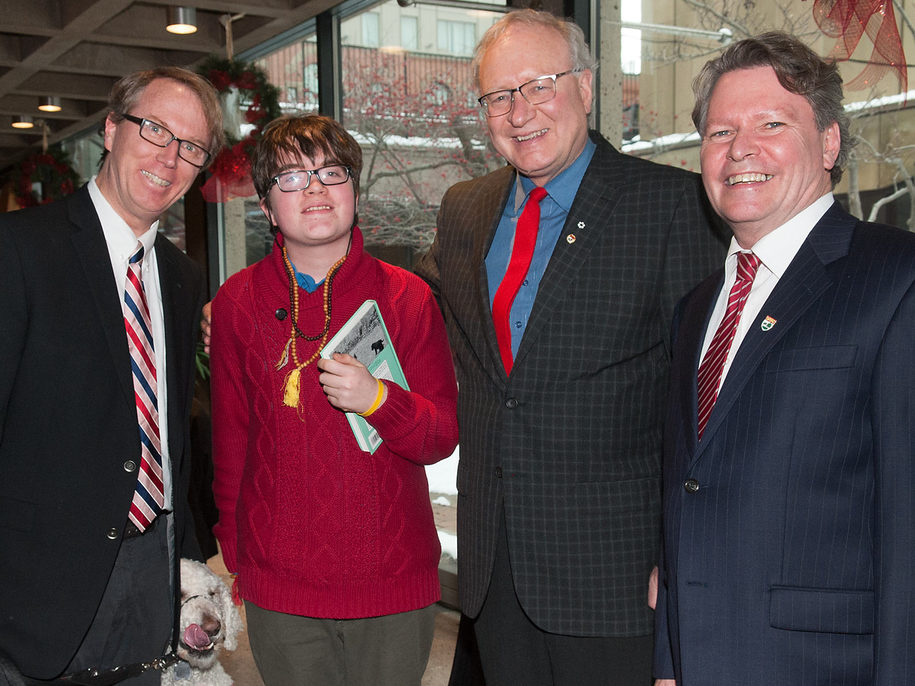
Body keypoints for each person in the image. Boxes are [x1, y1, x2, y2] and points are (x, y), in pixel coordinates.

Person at [413, 9, 727, 685]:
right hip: (496, 569)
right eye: (498, 95)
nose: (517, 111)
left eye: (539, 85)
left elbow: (705, 402)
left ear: (585, 86)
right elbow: (443, 332)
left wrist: (681, 558)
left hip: (615, 576)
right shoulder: (463, 208)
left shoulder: (671, 206)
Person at [653, 32, 915, 686]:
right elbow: (684, 495)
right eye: (719, 132)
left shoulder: (895, 280)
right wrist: (668, 661)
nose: (740, 149)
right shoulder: (695, 310)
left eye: (771, 123)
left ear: (827, 141)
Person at [208, 114, 459, 685]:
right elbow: (231, 442)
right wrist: (237, 555)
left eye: (330, 172)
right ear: (268, 208)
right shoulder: (237, 303)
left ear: (354, 191)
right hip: (281, 585)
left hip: (392, 583)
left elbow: (442, 434)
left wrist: (378, 400)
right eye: (292, 177)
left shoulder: (408, 297)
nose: (316, 187)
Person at [0, 67, 224, 683]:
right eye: (154, 129)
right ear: (109, 129)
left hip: (151, 579)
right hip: (35, 598)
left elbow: (168, 428)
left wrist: (184, 557)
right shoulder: (18, 250)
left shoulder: (181, 279)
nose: (169, 157)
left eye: (192, 147)